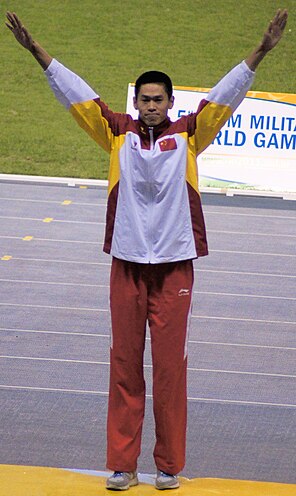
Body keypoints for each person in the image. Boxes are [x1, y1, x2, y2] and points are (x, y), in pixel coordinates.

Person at [6, 9, 288, 491]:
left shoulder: (191, 135)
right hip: (127, 268)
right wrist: (37, 53)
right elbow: (76, 94)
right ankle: (122, 464)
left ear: (171, 102)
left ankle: (168, 467)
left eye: (158, 99)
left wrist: (260, 50)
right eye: (144, 99)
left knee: (170, 371)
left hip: (175, 269)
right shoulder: (116, 134)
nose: (151, 106)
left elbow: (226, 96)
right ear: (135, 102)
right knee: (124, 365)